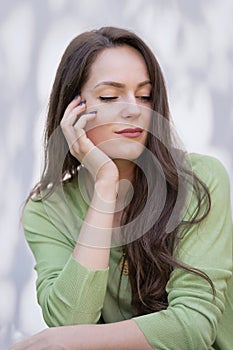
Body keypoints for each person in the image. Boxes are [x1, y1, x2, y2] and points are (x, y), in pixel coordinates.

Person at [9, 26, 233, 350]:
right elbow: (72, 322)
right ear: (73, 110)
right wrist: (105, 185)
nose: (133, 109)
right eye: (110, 96)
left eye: (144, 95)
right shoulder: (47, 210)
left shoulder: (200, 179)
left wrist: (62, 340)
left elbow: (193, 327)